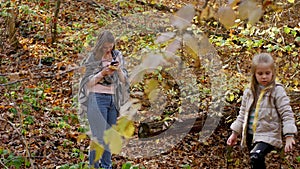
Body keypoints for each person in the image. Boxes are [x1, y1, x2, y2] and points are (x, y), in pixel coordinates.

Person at [227, 53, 297, 169]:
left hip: (268, 134)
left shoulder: (277, 91)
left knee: (256, 156)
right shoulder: (249, 92)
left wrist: (289, 135)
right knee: (254, 162)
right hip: (251, 135)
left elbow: (286, 113)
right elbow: (242, 114)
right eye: (260, 74)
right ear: (254, 74)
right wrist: (235, 133)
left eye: (267, 73)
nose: (264, 76)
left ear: (273, 73)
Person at [78, 30, 127, 169]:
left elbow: (124, 80)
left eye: (110, 47)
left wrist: (117, 70)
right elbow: (87, 83)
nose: (107, 50)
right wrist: (102, 73)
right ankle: (94, 166)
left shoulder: (117, 55)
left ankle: (107, 166)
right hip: (97, 97)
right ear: (100, 45)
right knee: (98, 136)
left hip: (113, 99)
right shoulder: (93, 58)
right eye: (105, 47)